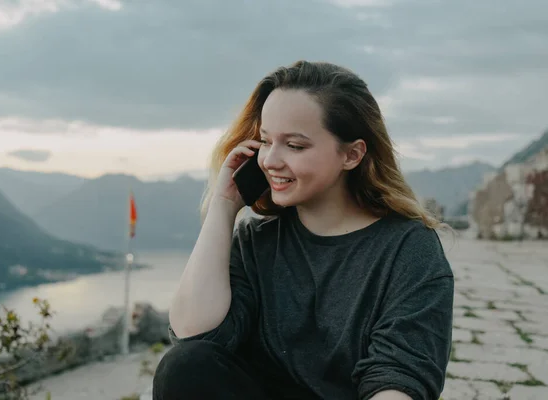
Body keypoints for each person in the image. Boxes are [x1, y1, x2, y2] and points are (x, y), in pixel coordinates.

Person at [153, 60, 454, 400]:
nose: (269, 160)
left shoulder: (408, 249)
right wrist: (222, 207)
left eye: (294, 146)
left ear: (352, 155)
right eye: (266, 141)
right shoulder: (257, 241)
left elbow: (400, 378)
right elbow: (194, 338)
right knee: (183, 365)